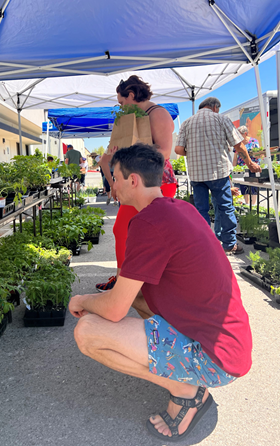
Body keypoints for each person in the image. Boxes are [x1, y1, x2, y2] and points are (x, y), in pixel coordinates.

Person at [70, 144, 252, 442]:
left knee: (88, 331)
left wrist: (82, 300)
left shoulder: (147, 222)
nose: (110, 186)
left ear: (133, 181)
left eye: (113, 178)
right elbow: (130, 294)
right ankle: (186, 376)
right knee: (138, 297)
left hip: (217, 359)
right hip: (230, 342)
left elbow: (115, 308)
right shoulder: (180, 207)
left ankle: (186, 392)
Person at [96, 75, 177, 291]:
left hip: (157, 183)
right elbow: (105, 159)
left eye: (122, 102)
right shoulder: (132, 119)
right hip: (135, 184)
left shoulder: (157, 113)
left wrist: (131, 150)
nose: (121, 108)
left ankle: (134, 283)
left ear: (131, 95)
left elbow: (165, 152)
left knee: (135, 231)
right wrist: (114, 180)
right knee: (123, 229)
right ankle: (126, 280)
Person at [175, 97, 261, 255]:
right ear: (215, 107)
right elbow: (238, 144)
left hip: (197, 174)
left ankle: (205, 244)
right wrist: (249, 163)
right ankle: (229, 244)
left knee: (201, 210)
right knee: (225, 207)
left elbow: (179, 150)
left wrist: (194, 152)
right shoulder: (221, 119)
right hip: (218, 173)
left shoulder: (187, 122)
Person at [232, 125, 260, 206]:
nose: (237, 136)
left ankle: (254, 204)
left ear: (245, 133)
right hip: (242, 168)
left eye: (239, 134)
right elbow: (235, 158)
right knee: (243, 185)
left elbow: (258, 154)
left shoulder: (254, 142)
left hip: (252, 167)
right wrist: (234, 168)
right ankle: (247, 203)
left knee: (254, 185)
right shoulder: (237, 143)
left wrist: (255, 155)